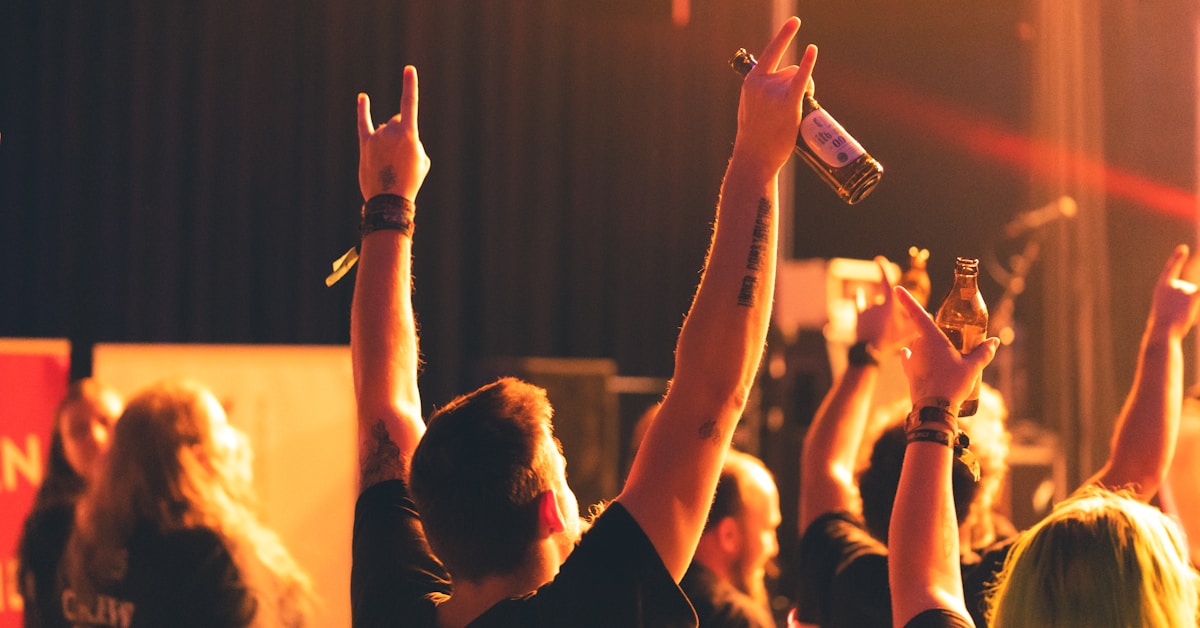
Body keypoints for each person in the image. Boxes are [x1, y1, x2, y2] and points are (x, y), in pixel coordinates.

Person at [349, 16, 817, 627]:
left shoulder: (395, 607)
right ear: (550, 512)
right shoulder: (586, 607)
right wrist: (758, 163)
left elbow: (386, 409)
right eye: (565, 477)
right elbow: (711, 394)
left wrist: (757, 161)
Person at [890, 244, 1200, 628]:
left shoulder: (851, 574)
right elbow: (1135, 472)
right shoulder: (1005, 565)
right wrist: (1165, 335)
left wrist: (934, 405)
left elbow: (925, 579)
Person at [57, 378, 315, 627]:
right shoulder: (210, 557)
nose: (238, 440)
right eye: (222, 427)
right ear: (198, 458)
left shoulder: (93, 542)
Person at [17, 378, 122, 626]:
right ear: (62, 449)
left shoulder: (157, 516)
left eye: (106, 422)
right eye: (78, 430)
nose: (96, 437)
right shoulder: (47, 528)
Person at [682, 450, 781, 628]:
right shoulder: (740, 619)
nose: (774, 548)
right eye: (768, 529)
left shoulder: (653, 596)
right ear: (728, 535)